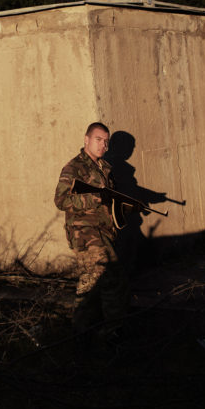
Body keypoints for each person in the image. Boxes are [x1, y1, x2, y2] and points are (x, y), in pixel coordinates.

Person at [54, 122, 128, 347]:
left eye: (106, 141)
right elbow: (61, 200)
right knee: (93, 281)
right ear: (86, 140)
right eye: (98, 139)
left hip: (103, 233)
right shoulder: (74, 168)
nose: (103, 145)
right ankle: (84, 336)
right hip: (85, 234)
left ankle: (106, 333)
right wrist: (93, 198)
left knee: (109, 279)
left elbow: (110, 201)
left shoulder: (105, 168)